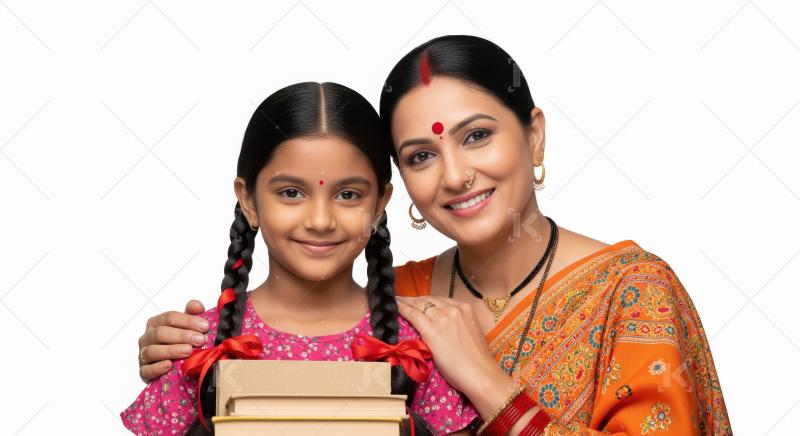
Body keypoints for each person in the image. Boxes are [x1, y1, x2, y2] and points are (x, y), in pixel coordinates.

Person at [135, 36, 732, 434]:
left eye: (477, 136)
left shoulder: (631, 291)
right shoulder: (397, 302)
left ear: (535, 136)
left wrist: (489, 384)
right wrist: (196, 349)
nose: (453, 176)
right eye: (421, 154)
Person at [120, 82, 478, 435]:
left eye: (348, 194)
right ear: (248, 200)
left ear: (380, 204)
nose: (320, 221)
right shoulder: (199, 349)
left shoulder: (414, 350)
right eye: (291, 193)